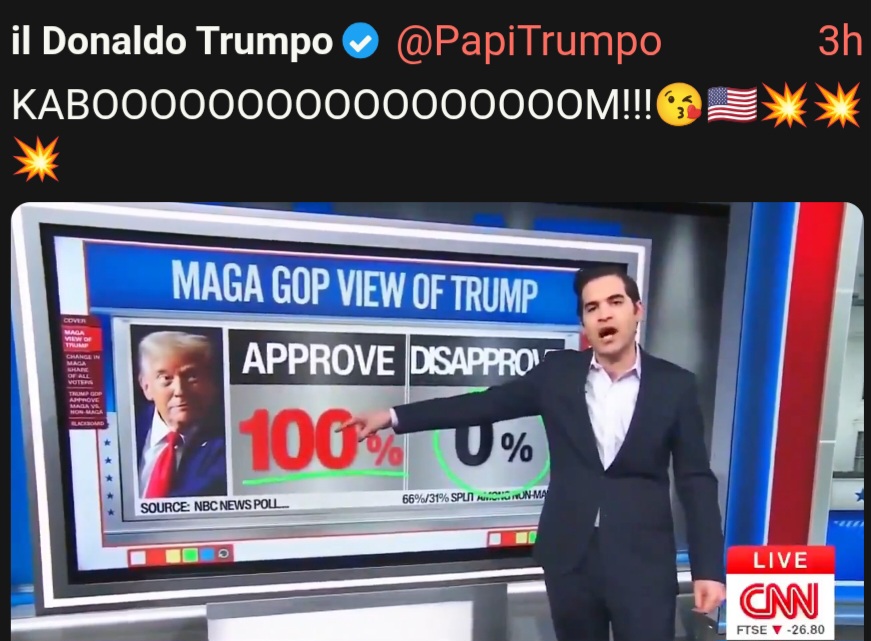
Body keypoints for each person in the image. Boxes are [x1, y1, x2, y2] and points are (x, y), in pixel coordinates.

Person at [339, 265, 726, 641]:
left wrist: (708, 568)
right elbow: (483, 405)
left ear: (637, 310)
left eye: (615, 302)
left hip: (643, 564)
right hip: (571, 559)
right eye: (592, 308)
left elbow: (695, 481)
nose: (604, 314)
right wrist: (393, 416)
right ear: (584, 323)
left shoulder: (675, 386)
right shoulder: (557, 374)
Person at [135, 330, 227, 498]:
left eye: (191, 377)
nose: (179, 391)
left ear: (211, 384)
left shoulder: (227, 447)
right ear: (146, 386)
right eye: (166, 379)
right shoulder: (124, 430)